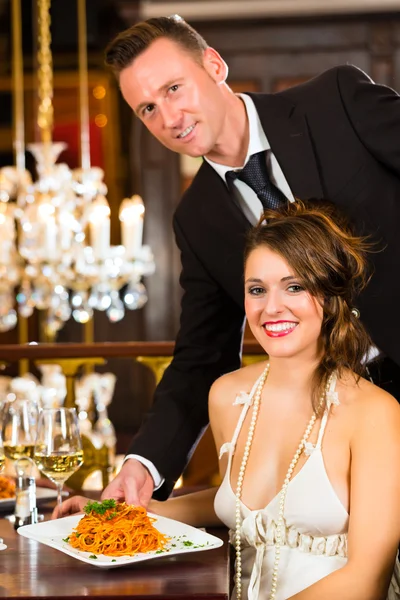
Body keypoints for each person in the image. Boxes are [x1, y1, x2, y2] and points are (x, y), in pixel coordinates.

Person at [57, 14, 400, 509]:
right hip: (338, 430)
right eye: (148, 108)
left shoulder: (336, 102)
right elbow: (202, 356)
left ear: (214, 65)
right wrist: (142, 464)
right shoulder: (195, 219)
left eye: (174, 88)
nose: (169, 118)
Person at [53, 202, 400, 600]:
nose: (271, 307)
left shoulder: (375, 413)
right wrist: (117, 515)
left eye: (294, 286)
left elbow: (367, 578)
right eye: (257, 289)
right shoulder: (227, 396)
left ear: (331, 293)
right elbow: (235, 507)